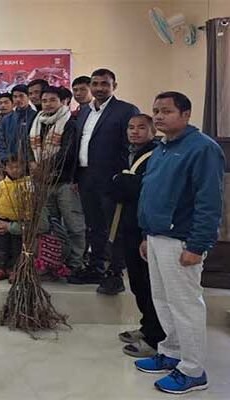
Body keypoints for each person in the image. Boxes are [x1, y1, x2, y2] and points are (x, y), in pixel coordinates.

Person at [134, 92, 224, 395]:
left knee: (186, 306)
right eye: (156, 111)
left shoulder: (202, 149)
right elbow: (152, 195)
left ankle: (193, 370)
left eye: (167, 111)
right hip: (158, 237)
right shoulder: (161, 147)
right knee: (163, 300)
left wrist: (197, 245)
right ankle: (171, 352)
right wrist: (147, 234)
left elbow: (209, 202)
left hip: (182, 241)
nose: (159, 116)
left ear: (186, 114)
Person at [70, 68, 140, 293]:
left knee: (114, 228)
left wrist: (123, 176)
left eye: (105, 84)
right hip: (85, 177)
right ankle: (96, 268)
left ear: (114, 86)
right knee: (93, 226)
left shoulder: (125, 110)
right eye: (96, 83)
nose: (99, 88)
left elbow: (131, 145)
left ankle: (115, 274)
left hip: (111, 179)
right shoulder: (83, 111)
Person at [110, 114, 163, 358]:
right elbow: (117, 189)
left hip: (146, 228)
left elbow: (141, 188)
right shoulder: (129, 152)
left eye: (142, 127)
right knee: (138, 283)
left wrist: (123, 182)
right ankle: (146, 327)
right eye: (131, 127)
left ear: (153, 130)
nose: (135, 131)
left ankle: (156, 338)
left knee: (150, 284)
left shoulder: (157, 154)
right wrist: (122, 182)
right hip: (129, 224)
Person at [29, 86, 85, 273]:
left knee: (73, 225)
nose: (48, 104)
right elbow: (30, 148)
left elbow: (67, 152)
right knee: (49, 225)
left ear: (63, 102)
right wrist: (33, 165)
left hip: (64, 181)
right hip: (43, 182)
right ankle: (53, 261)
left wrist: (44, 166)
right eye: (44, 100)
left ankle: (75, 264)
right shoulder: (38, 121)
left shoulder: (70, 122)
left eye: (52, 100)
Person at [0, 155, 30, 281]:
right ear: (5, 168)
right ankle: (1, 268)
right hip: (2, 219)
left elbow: (29, 203)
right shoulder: (1, 185)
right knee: (2, 247)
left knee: (17, 248)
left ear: (23, 167)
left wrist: (27, 218)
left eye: (18, 167)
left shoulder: (28, 184)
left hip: (18, 221)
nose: (15, 170)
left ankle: (15, 269)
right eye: (11, 167)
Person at [0, 84, 37, 163]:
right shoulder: (6, 119)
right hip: (10, 163)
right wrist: (5, 159)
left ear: (28, 97)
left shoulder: (35, 116)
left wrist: (31, 160)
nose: (18, 99)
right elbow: (0, 142)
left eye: (21, 96)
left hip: (30, 163)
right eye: (15, 97)